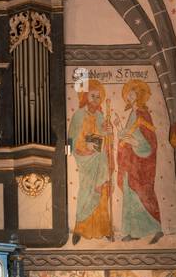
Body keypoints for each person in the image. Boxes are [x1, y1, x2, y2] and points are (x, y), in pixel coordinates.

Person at [116, 80, 163, 242]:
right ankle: (132, 231)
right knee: (130, 195)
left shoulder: (143, 114)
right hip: (130, 162)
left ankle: (156, 228)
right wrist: (121, 132)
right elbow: (129, 134)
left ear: (139, 95)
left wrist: (135, 143)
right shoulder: (132, 114)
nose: (129, 95)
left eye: (132, 92)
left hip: (141, 162)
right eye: (128, 93)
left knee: (144, 192)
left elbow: (151, 141)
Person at [70, 81, 112, 242]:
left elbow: (104, 137)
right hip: (85, 159)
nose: (96, 99)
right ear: (85, 96)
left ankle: (104, 228)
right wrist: (83, 145)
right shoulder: (78, 115)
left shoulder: (101, 115)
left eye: (98, 97)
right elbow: (70, 139)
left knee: (102, 193)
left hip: (99, 159)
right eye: (93, 95)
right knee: (85, 193)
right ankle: (79, 229)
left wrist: (109, 132)